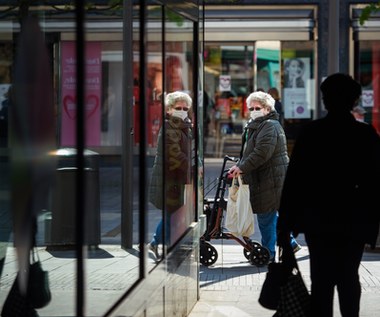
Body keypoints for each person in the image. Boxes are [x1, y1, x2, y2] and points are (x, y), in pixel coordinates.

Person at [277, 73, 380, 317]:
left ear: (325, 100)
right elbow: (376, 182)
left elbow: (295, 181)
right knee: (348, 277)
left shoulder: (312, 133)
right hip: (354, 219)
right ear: (354, 101)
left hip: (318, 218)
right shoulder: (366, 135)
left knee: (321, 281)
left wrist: (286, 224)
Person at [228, 91, 300, 261]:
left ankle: (269, 253)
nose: (253, 110)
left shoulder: (269, 125)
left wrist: (242, 167)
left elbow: (261, 153)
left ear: (267, 109)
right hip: (266, 177)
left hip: (270, 178)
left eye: (257, 107)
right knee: (269, 214)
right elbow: (249, 152)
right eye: (251, 108)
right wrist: (239, 164)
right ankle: (289, 243)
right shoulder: (255, 125)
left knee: (266, 216)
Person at [148, 91, 193, 260]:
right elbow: (176, 154)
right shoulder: (170, 127)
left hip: (178, 178)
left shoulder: (184, 125)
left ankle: (162, 245)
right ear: (169, 110)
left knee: (174, 215)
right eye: (178, 107)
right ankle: (159, 244)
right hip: (170, 179)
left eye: (185, 108)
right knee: (171, 215)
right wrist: (192, 166)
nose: (182, 110)